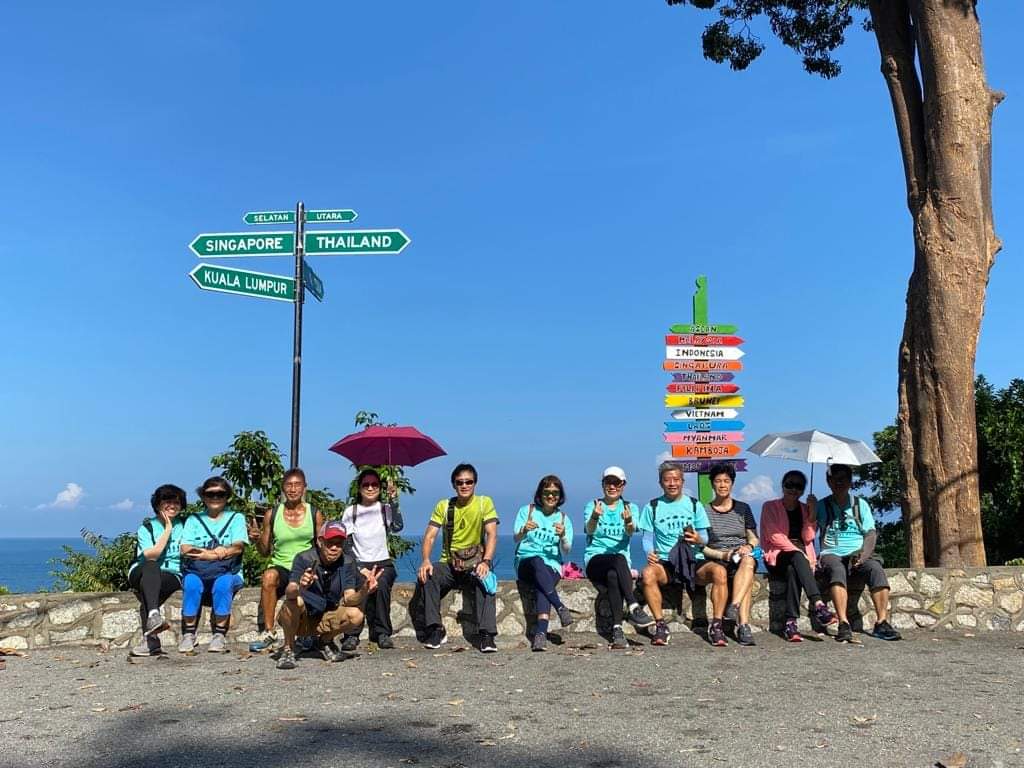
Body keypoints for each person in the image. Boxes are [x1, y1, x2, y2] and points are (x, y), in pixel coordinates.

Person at [810, 463, 901, 642]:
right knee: (837, 570)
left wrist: (865, 555)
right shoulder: (821, 505)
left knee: (876, 569)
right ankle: (843, 623)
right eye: (835, 479)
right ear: (828, 482)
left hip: (857, 551)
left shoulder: (860, 505)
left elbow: (870, 533)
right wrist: (811, 511)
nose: (839, 483)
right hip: (831, 551)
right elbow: (809, 531)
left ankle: (881, 621)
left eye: (843, 479)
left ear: (850, 482)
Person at [275, 520, 382, 669]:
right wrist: (301, 586)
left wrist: (364, 591)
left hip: (326, 616)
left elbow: (349, 598)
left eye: (339, 544)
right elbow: (290, 591)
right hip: (301, 617)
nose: (334, 548)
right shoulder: (304, 558)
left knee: (356, 615)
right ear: (320, 541)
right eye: (330, 543)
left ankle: (325, 641)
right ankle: (288, 649)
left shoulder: (347, 562)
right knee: (294, 601)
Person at [417, 463, 500, 653]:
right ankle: (436, 629)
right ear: (454, 485)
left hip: (475, 564)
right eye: (460, 482)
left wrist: (486, 561)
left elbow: (492, 534)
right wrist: (426, 560)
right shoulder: (445, 506)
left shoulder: (483, 503)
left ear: (475, 483)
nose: (464, 486)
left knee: (487, 580)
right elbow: (430, 535)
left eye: (468, 482)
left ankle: (487, 634)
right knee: (428, 575)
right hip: (450, 564)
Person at [247, 468, 324, 652]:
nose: (293, 489)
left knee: (307, 589)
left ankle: (306, 633)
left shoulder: (315, 514)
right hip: (282, 566)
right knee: (268, 577)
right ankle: (269, 633)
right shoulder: (272, 514)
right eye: (289, 485)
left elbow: (322, 546)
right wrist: (256, 540)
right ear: (283, 488)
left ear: (305, 488)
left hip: (306, 568)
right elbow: (265, 551)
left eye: (297, 485)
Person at [638, 463, 709, 646]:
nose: (672, 483)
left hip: (693, 559)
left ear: (682, 481)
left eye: (676, 479)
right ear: (661, 483)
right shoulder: (652, 506)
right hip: (666, 560)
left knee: (719, 573)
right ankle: (660, 626)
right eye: (667, 480)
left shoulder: (694, 505)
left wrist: (697, 539)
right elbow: (647, 538)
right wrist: (649, 552)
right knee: (647, 574)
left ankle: (717, 625)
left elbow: (706, 538)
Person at [583, 466, 654, 649]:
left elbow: (631, 531)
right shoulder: (593, 505)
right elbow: (589, 530)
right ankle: (633, 606)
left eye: (616, 483)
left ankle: (617, 630)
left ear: (623, 485)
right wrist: (594, 517)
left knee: (614, 575)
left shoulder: (630, 507)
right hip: (595, 560)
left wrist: (629, 521)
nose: (612, 487)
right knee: (618, 559)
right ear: (603, 485)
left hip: (617, 567)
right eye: (608, 482)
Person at [761, 470, 836, 642]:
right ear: (783, 485)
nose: (793, 489)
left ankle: (791, 622)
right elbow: (773, 535)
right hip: (778, 555)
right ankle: (818, 604)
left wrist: (812, 513)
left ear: (803, 490)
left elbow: (808, 537)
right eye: (789, 484)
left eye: (798, 486)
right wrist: (797, 551)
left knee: (793, 570)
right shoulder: (769, 507)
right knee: (795, 558)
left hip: (797, 561)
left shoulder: (804, 508)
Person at [178, 476, 248, 653]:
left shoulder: (236, 518)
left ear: (227, 496)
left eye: (220, 494)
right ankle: (188, 633)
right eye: (211, 494)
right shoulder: (194, 520)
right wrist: (214, 554)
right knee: (191, 584)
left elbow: (238, 547)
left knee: (223, 585)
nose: (215, 498)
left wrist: (210, 553)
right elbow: (185, 548)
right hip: (198, 570)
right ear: (203, 496)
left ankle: (219, 633)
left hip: (229, 570)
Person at [338, 468, 403, 651]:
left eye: (374, 484)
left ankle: (382, 633)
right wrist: (360, 567)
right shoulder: (352, 511)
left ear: (380, 488)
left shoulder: (385, 509)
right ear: (359, 488)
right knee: (359, 588)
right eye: (366, 484)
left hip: (382, 562)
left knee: (381, 586)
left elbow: (398, 526)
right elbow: (346, 543)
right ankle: (351, 634)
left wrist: (394, 501)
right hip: (359, 562)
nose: (370, 488)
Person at [695, 462, 759, 647]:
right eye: (718, 481)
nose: (722, 485)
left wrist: (748, 546)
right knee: (725, 573)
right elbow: (701, 546)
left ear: (732, 483)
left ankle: (738, 614)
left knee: (748, 562)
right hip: (715, 557)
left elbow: (754, 537)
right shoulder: (704, 510)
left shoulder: (743, 508)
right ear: (712, 484)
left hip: (739, 555)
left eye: (726, 481)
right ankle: (723, 625)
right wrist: (722, 555)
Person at [513, 475, 574, 652]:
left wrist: (563, 536)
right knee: (537, 561)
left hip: (552, 565)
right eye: (547, 492)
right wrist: (524, 529)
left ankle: (540, 635)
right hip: (526, 562)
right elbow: (516, 538)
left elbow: (567, 549)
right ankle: (560, 606)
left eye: (555, 493)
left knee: (543, 584)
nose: (551, 496)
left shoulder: (563, 518)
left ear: (560, 495)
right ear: (540, 494)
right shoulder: (528, 511)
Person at [127, 484, 187, 657]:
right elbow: (151, 555)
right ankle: (154, 617)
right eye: (166, 501)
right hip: (142, 570)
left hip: (172, 573)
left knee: (150, 594)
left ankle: (150, 641)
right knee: (152, 566)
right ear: (158, 504)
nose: (172, 505)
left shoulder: (185, 525)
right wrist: (168, 530)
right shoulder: (147, 528)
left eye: (176, 502)